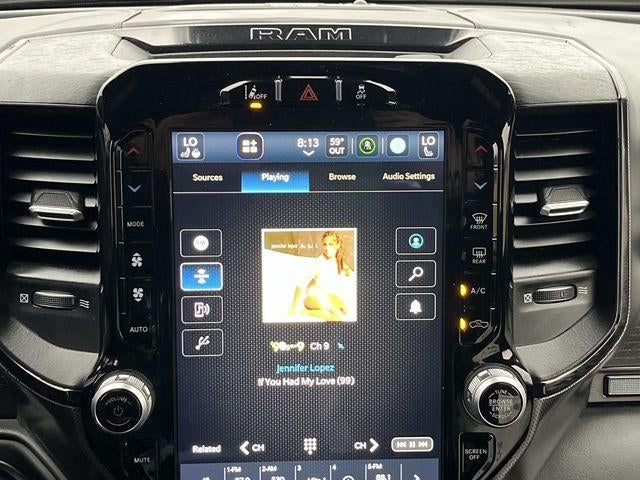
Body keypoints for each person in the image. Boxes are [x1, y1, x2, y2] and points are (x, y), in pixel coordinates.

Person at [288, 231, 354, 322]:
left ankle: (327, 308)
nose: (326, 248)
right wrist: (293, 307)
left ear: (338, 245)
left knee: (345, 309)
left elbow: (346, 268)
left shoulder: (338, 259)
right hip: (311, 297)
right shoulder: (319, 263)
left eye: (331, 244)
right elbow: (300, 284)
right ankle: (305, 312)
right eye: (325, 244)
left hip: (325, 295)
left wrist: (348, 271)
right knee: (337, 317)